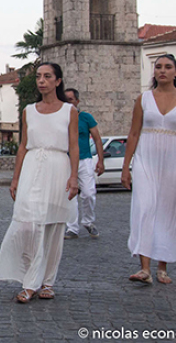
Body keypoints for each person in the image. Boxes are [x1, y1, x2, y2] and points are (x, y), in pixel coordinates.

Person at [0, 62, 79, 303]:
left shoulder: (69, 111)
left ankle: (47, 282)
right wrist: (15, 178)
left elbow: (74, 146)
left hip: (57, 167)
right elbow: (22, 146)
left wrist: (74, 177)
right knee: (29, 224)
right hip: (33, 166)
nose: (41, 80)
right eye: (39, 77)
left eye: (47, 76)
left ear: (58, 81)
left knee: (53, 226)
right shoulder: (29, 110)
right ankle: (30, 281)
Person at [121, 54, 176, 285]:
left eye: (167, 67)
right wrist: (126, 167)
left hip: (175, 161)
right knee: (145, 208)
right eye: (158, 67)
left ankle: (162, 266)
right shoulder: (143, 99)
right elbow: (133, 134)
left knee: (167, 212)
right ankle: (144, 268)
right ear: (153, 72)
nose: (162, 71)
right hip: (146, 158)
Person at [63, 88, 104, 239]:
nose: (68, 103)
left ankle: (88, 221)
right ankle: (72, 228)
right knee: (69, 195)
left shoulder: (86, 118)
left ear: (77, 101)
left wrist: (101, 160)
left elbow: (97, 139)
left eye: (71, 100)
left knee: (88, 193)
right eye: (65, 100)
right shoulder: (61, 118)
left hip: (84, 159)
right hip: (66, 161)